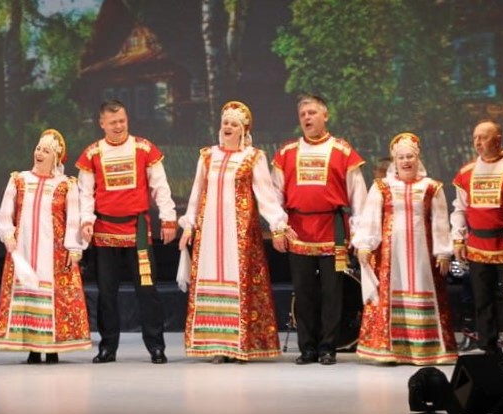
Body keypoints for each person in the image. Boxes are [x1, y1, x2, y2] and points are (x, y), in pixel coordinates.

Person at [177, 101, 286, 363]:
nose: (228, 127)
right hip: (209, 233)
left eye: (234, 124)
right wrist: (189, 224)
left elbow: (266, 195)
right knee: (210, 278)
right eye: (225, 122)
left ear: (243, 130)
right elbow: (197, 192)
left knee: (238, 281)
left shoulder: (253, 157)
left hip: (239, 233)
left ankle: (240, 345)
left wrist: (278, 226)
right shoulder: (207, 156)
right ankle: (217, 345)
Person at [76, 99, 178, 364]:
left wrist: (168, 219)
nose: (118, 126)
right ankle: (107, 347)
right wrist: (86, 220)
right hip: (104, 231)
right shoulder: (92, 154)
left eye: (122, 120)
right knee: (106, 293)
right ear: (102, 123)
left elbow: (160, 186)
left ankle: (156, 346)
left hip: (138, 231)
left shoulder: (144, 148)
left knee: (147, 291)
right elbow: (85, 193)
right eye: (113, 122)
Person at [271, 95, 367, 365]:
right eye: (303, 114)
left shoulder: (343, 151)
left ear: (326, 116)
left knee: (332, 292)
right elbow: (275, 193)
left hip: (332, 229)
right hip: (298, 229)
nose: (307, 118)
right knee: (303, 292)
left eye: (312, 113)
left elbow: (358, 195)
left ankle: (328, 347)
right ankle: (307, 348)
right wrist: (278, 228)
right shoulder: (287, 153)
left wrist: (359, 233)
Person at [353, 132, 458, 365]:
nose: (406, 161)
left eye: (410, 156)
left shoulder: (431, 187)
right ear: (395, 160)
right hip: (391, 255)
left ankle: (426, 349)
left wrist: (443, 252)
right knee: (391, 293)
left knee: (423, 290)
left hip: (423, 254)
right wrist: (365, 244)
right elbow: (371, 217)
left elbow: (440, 221)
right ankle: (390, 350)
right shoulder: (382, 187)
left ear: (418, 158)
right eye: (401, 157)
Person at [0, 129, 91, 363]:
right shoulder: (19, 179)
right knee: (27, 292)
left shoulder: (66, 184)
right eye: (38, 148)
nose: (39, 153)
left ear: (55, 157)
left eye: (46, 151)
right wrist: (8, 234)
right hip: (23, 249)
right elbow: (6, 212)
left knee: (53, 294)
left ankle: (53, 347)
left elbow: (73, 218)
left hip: (53, 251)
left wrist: (74, 248)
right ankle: (32, 348)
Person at [450, 120, 503, 355]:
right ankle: (488, 348)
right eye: (475, 137)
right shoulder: (465, 173)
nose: (477, 142)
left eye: (483, 137)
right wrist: (458, 238)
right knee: (482, 300)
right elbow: (460, 209)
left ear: (498, 140)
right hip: (478, 246)